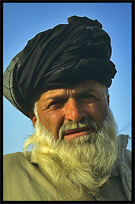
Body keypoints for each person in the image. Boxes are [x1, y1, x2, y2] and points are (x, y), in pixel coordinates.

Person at [3, 16, 131, 201]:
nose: (75, 115)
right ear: (35, 118)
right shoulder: (7, 177)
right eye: (55, 103)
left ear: (107, 102)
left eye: (87, 97)